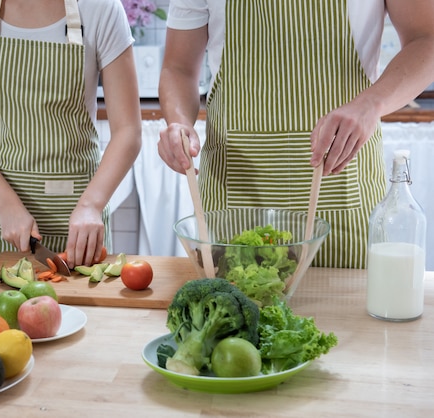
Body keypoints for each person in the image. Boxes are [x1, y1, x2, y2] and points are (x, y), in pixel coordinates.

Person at [157, 0, 434, 269]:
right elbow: (178, 68)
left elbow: (426, 39)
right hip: (235, 194)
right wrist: (180, 124)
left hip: (343, 191)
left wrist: (370, 104)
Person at [0, 0, 142, 267]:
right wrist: (7, 205)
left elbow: (128, 130)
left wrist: (91, 206)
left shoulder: (100, 8)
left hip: (77, 227)